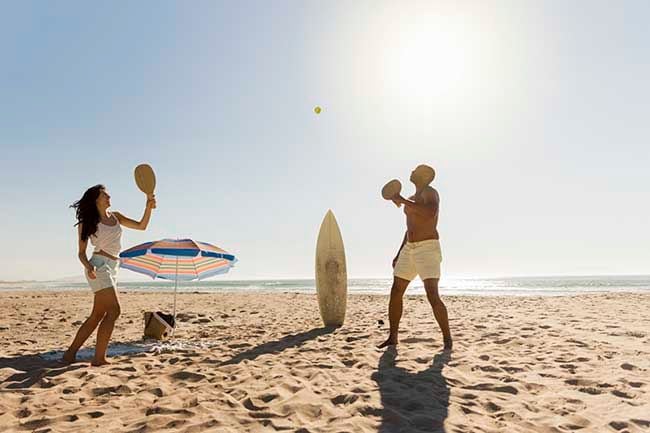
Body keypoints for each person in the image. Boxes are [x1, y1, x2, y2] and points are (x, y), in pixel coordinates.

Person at [63, 184, 156, 366]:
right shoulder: (87, 222)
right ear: (96, 199)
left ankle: (70, 354)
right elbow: (81, 252)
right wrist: (88, 266)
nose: (109, 197)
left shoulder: (116, 217)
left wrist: (148, 207)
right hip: (98, 266)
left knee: (97, 315)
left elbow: (142, 226)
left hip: (114, 266)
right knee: (114, 310)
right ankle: (98, 358)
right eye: (105, 194)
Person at [378, 164, 452, 350]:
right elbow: (409, 227)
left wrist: (402, 200)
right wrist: (399, 252)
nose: (411, 171)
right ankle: (393, 337)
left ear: (425, 176)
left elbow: (429, 213)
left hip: (428, 247)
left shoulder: (430, 192)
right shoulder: (411, 198)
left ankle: (447, 339)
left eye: (416, 170)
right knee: (395, 292)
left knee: (432, 295)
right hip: (409, 248)